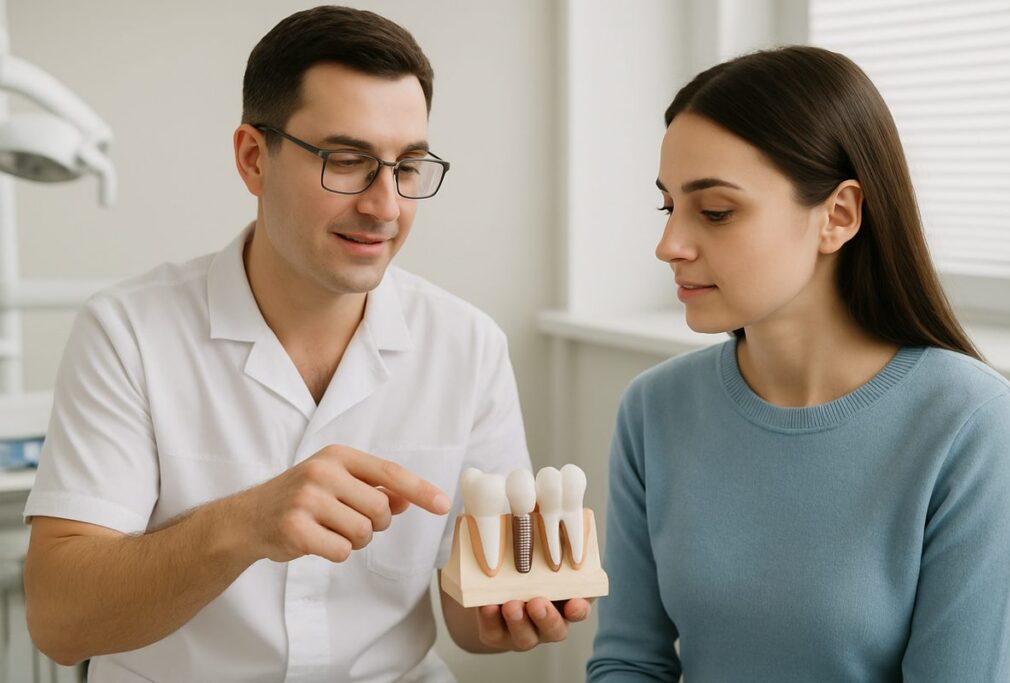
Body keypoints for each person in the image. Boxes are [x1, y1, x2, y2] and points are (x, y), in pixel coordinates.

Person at [22, 6, 588, 681]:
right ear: (254, 158)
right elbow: (60, 623)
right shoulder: (128, 334)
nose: (385, 206)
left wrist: (507, 612)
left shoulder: (467, 345)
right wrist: (244, 525)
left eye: (407, 167)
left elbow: (466, 616)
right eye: (347, 162)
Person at [587, 46, 1010, 682]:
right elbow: (628, 661)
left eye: (715, 212)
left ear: (838, 216)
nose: (669, 244)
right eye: (668, 207)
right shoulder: (655, 408)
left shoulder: (973, 428)